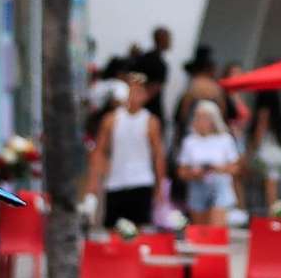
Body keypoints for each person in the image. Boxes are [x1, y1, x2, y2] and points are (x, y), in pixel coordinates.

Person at [93, 75, 166, 230]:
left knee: (138, 230)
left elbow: (158, 154)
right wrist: (95, 181)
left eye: (139, 92)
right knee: (113, 229)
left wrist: (160, 185)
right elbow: (100, 151)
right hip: (115, 182)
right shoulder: (111, 119)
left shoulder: (151, 121)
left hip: (141, 180)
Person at [175, 100, 243, 219]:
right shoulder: (190, 141)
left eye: (204, 117)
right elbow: (181, 172)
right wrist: (195, 173)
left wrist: (218, 168)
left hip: (219, 185)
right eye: (198, 117)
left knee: (217, 227)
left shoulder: (225, 139)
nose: (200, 121)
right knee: (199, 231)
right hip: (197, 187)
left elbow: (236, 168)